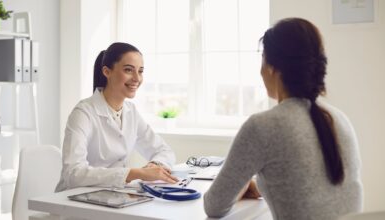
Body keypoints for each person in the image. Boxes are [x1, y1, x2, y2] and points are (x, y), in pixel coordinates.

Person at [204, 18, 363, 220]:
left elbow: (214, 206)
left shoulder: (263, 126)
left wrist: (241, 184)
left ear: (271, 67)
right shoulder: (339, 119)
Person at [56, 42, 178, 192]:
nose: (136, 78)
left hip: (113, 195)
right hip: (73, 202)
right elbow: (73, 174)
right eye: (128, 70)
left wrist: (155, 166)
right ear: (107, 72)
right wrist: (134, 173)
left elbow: (164, 151)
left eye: (140, 71)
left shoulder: (130, 111)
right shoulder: (83, 113)